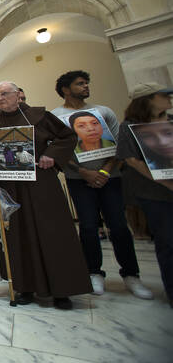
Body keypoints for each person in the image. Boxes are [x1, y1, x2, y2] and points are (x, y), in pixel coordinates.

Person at [0, 81, 92, 309]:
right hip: (10, 188)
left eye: (5, 94)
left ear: (18, 95)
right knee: (18, 237)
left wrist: (51, 155)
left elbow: (67, 137)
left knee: (52, 234)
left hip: (41, 185)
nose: (0, 98)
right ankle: (25, 287)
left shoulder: (40, 116)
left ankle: (63, 290)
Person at [51, 71, 150, 299]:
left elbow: (119, 145)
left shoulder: (104, 111)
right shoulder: (56, 116)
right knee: (87, 227)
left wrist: (104, 170)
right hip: (79, 179)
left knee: (119, 226)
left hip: (110, 178)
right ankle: (94, 272)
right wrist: (83, 172)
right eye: (80, 84)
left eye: (86, 83)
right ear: (66, 89)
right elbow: (57, 149)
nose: (85, 87)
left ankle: (131, 275)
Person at [116, 82, 173, 308]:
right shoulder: (129, 126)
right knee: (168, 240)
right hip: (154, 192)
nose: (169, 99)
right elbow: (130, 159)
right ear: (148, 99)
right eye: (163, 96)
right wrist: (167, 182)